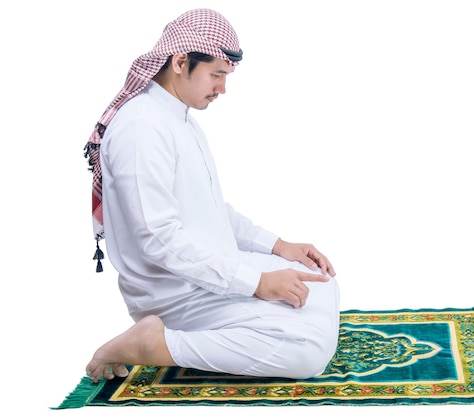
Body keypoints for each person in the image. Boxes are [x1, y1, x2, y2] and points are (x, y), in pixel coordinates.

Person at [83, 8, 340, 384]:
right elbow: (157, 238)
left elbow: (212, 211)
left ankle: (212, 329)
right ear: (180, 61)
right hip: (176, 292)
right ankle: (154, 343)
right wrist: (256, 283)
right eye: (216, 75)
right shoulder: (141, 127)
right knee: (307, 352)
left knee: (319, 280)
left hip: (209, 270)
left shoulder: (175, 118)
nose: (222, 88)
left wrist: (279, 246)